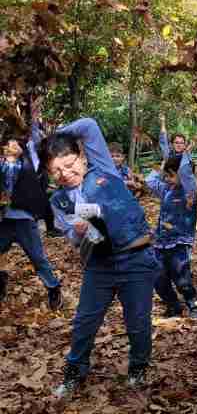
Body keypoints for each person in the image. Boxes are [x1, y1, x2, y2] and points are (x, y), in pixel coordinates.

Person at [42, 118, 160, 397]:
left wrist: (52, 137)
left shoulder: (104, 170)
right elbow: (71, 238)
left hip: (136, 257)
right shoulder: (58, 200)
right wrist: (79, 231)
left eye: (69, 164)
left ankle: (138, 367)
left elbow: (91, 126)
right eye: (56, 171)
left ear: (82, 158)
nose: (65, 173)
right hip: (99, 265)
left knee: (138, 321)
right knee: (85, 321)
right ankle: (74, 372)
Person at [0, 117, 62, 310]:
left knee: (37, 257)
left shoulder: (30, 160)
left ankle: (53, 287)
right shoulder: (1, 163)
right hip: (3, 221)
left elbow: (34, 136)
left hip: (24, 220)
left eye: (16, 143)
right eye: (9, 143)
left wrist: (33, 117)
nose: (13, 146)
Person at [145, 154, 197, 319]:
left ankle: (195, 304)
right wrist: (162, 166)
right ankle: (173, 305)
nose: (168, 179)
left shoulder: (189, 192)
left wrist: (184, 154)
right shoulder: (165, 190)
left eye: (172, 175)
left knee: (182, 280)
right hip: (160, 243)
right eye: (167, 176)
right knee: (158, 279)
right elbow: (150, 180)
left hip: (180, 243)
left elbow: (185, 171)